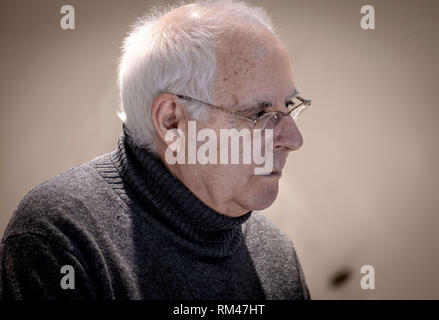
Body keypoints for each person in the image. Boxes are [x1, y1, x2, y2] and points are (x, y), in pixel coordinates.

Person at [0, 0, 311, 299]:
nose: (294, 139)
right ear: (172, 121)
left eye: (288, 106)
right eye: (259, 114)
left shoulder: (275, 252)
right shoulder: (62, 238)